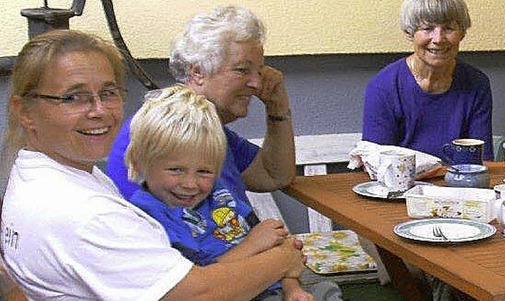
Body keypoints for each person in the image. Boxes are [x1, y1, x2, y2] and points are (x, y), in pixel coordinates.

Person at [0, 29, 305, 301]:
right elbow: (197, 293)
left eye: (108, 93)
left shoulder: (45, 172)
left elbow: (273, 174)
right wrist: (281, 260)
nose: (99, 111)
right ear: (24, 112)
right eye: (72, 98)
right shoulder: (83, 214)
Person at [124, 85, 341, 301]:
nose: (190, 184)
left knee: (327, 291)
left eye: (204, 171)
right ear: (139, 163)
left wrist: (292, 289)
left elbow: (277, 246)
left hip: (270, 289)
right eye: (176, 170)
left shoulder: (220, 195)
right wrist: (252, 245)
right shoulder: (148, 217)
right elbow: (196, 285)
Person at [106, 5, 295, 208]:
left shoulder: (207, 127)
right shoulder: (168, 131)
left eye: (259, 71)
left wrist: (277, 109)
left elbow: (272, 176)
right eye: (242, 70)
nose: (256, 83)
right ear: (198, 72)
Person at [361, 0, 493, 164]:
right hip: (402, 186)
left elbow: (482, 161)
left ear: (462, 33)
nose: (438, 39)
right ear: (410, 33)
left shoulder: (477, 84)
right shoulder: (383, 86)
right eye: (427, 28)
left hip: (460, 186)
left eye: (449, 28)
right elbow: (377, 162)